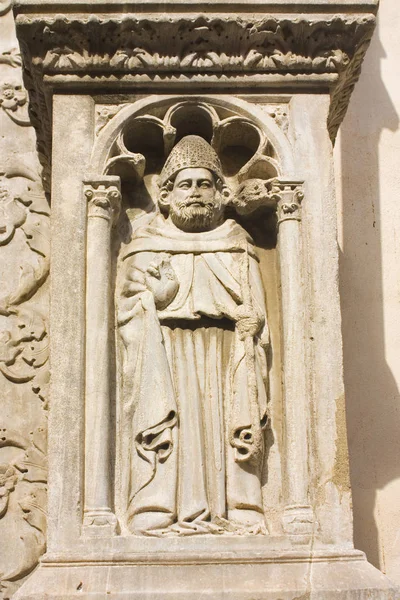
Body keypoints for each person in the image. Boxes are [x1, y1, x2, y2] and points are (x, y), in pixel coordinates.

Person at [117, 135, 270, 536]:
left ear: (220, 193)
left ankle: (238, 506)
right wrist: (156, 298)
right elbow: (125, 315)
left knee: (224, 431)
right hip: (166, 357)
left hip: (224, 357)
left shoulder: (237, 244)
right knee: (172, 428)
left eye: (205, 184)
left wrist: (253, 328)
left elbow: (257, 315)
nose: (196, 193)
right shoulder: (145, 245)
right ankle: (158, 505)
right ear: (166, 195)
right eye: (186, 185)